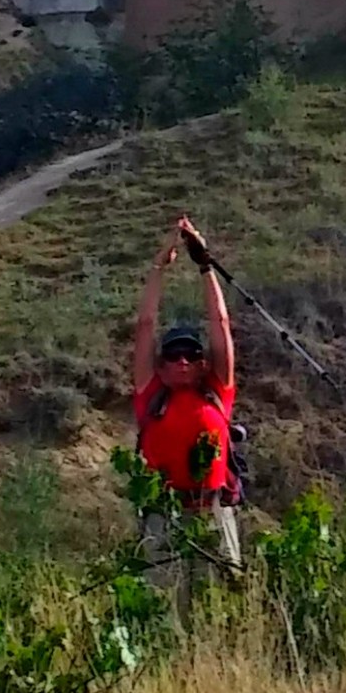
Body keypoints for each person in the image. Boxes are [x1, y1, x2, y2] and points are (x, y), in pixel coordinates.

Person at [130, 215, 240, 596]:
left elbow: (220, 322)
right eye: (173, 355)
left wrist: (204, 265)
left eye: (191, 355)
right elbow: (145, 324)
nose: (182, 362)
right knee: (161, 604)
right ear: (160, 365)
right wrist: (159, 266)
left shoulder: (216, 389)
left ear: (203, 363)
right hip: (163, 513)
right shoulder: (151, 392)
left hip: (213, 510)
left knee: (222, 602)